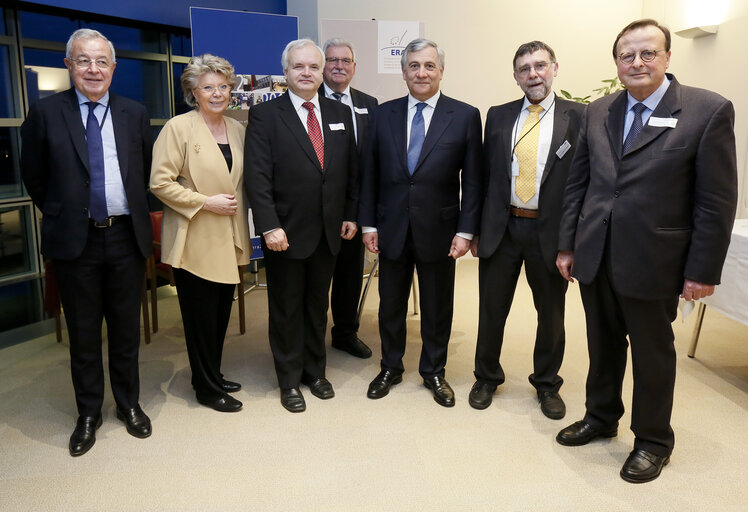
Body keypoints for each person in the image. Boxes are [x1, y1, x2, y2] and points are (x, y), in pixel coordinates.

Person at [555, 19, 737, 483]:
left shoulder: (707, 110)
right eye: (626, 55)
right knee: (602, 344)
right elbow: (580, 184)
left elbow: (715, 201)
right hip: (596, 254)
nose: (636, 63)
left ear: (668, 57)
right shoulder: (598, 111)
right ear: (616, 62)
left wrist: (702, 269)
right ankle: (600, 417)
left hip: (656, 260)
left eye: (647, 53)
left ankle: (653, 440)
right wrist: (568, 244)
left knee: (653, 353)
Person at [21, 28, 153, 456]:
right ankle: (89, 413)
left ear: (114, 67)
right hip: (75, 241)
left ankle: (129, 404)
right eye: (83, 60)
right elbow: (35, 177)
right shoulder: (45, 114)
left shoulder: (134, 112)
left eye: (101, 61)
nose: (93, 69)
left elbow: (144, 174)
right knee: (82, 333)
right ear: (69, 66)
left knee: (126, 330)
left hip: (125, 237)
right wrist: (67, 212)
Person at [359, 38, 482, 407]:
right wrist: (368, 225)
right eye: (414, 66)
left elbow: (474, 181)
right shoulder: (383, 114)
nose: (421, 72)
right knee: (390, 304)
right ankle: (391, 366)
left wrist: (465, 230)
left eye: (429, 65)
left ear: (441, 70)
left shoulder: (464, 115)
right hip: (391, 228)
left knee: (437, 305)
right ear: (404, 71)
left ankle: (433, 371)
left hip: (441, 231)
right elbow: (370, 175)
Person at [468, 41, 584, 419]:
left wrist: (573, 241)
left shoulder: (579, 116)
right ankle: (486, 376)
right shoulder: (498, 116)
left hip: (549, 234)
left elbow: (584, 182)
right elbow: (485, 177)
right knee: (491, 309)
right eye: (524, 69)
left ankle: (547, 384)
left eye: (539, 66)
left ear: (554, 67)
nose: (532, 74)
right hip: (502, 228)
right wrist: (477, 230)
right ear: (515, 76)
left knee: (550, 314)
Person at [245, 39, 358, 413]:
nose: (306, 73)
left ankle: (315, 371)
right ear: (287, 72)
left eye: (313, 66)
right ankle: (289, 379)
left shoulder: (336, 111)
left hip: (328, 231)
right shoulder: (267, 115)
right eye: (298, 67)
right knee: (286, 309)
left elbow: (348, 172)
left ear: (321, 70)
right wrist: (268, 226)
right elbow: (257, 178)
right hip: (285, 234)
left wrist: (350, 214)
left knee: (316, 306)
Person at [150, 54, 250, 413]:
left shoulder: (237, 128)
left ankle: (211, 374)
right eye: (208, 87)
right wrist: (205, 202)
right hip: (195, 237)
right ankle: (207, 389)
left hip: (228, 235)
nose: (218, 93)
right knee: (200, 319)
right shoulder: (178, 128)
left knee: (220, 313)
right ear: (194, 90)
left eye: (223, 86)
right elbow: (159, 183)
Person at [320, 37, 379, 360]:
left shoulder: (369, 104)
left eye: (345, 61)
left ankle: (345, 332)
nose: (339, 66)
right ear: (322, 65)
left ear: (354, 67)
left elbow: (373, 160)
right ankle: (309, 338)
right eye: (332, 60)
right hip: (317, 209)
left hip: (354, 209)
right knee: (316, 279)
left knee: (348, 276)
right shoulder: (308, 101)